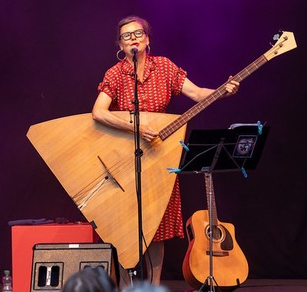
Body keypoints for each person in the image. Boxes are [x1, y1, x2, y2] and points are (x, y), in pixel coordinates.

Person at [92, 16, 240, 285]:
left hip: (159, 154)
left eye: (138, 33)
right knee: (126, 226)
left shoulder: (164, 68)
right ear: (120, 45)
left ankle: (154, 285)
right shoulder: (115, 74)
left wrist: (222, 91)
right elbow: (98, 112)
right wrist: (135, 127)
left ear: (148, 39)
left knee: (157, 225)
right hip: (124, 155)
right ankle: (126, 286)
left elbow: (196, 94)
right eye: (126, 36)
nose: (133, 38)